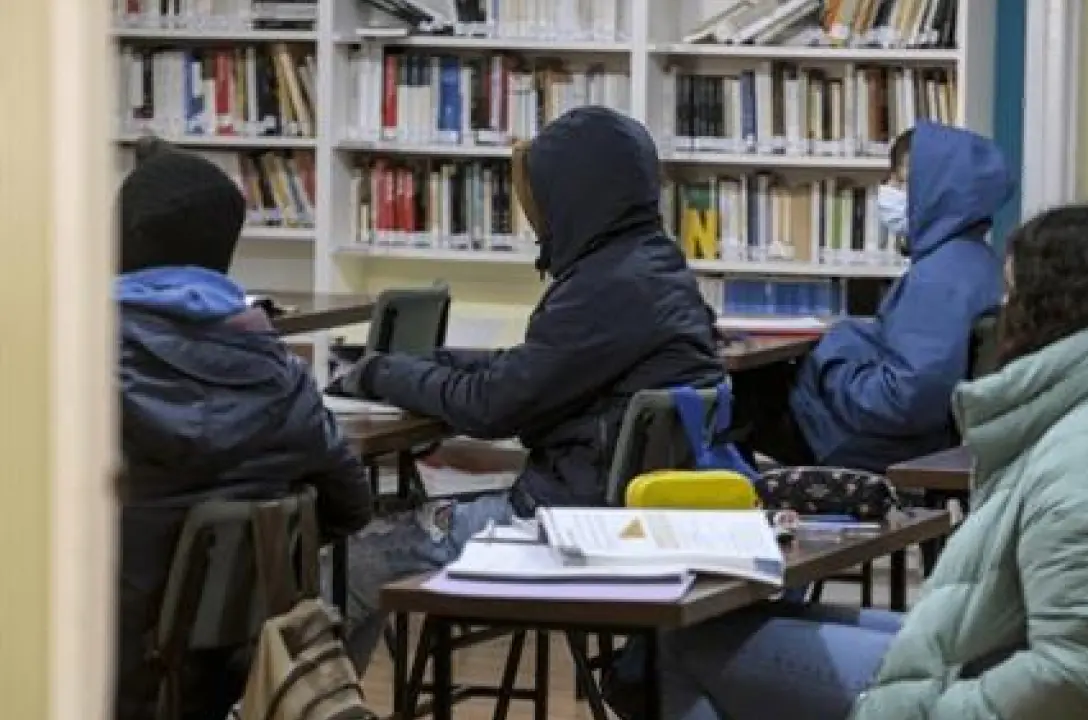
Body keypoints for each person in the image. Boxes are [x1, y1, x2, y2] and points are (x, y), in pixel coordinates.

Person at [654, 204, 1088, 720]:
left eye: (1012, 294)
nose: (1002, 313)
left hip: (979, 684)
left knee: (691, 646)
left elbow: (1081, 670)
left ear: (1050, 307)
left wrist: (936, 711)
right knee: (730, 626)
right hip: (991, 655)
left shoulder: (1086, 456)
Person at [335, 105, 725, 670]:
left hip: (563, 526)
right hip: (617, 516)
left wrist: (379, 374)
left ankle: (309, 705)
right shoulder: (653, 269)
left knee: (346, 562)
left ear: (574, 195)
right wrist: (429, 363)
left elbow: (492, 407)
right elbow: (535, 370)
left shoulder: (605, 288)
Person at [116, 140, 373, 720]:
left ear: (124, 240)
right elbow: (350, 507)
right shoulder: (284, 380)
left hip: (86, 663)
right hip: (236, 677)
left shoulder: (71, 375)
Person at [736, 122, 1011, 473]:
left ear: (936, 193)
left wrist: (834, 359)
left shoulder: (938, 279)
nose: (888, 192)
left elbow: (906, 401)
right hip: (918, 437)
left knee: (741, 396)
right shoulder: (975, 262)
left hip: (880, 444)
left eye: (901, 182)